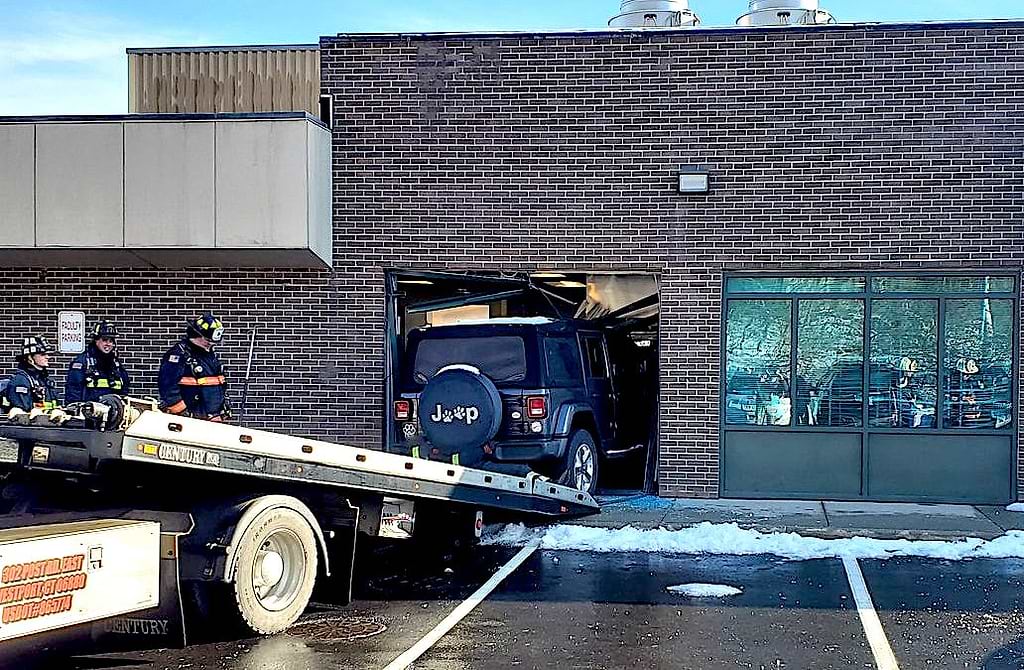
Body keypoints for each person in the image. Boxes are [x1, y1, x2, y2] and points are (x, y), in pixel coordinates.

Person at [158, 312, 229, 422]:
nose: (211, 344)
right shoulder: (178, 355)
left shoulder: (208, 354)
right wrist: (183, 415)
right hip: (190, 420)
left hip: (212, 418)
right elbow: (168, 388)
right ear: (197, 334)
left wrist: (218, 412)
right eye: (208, 341)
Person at [65, 321, 131, 404]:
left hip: (112, 413)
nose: (108, 344)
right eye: (105, 340)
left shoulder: (115, 364)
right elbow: (73, 391)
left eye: (111, 341)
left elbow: (124, 390)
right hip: (89, 413)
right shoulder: (83, 362)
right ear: (96, 340)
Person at [3, 336, 60, 412]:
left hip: (47, 423)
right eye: (42, 354)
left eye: (46, 354)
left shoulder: (43, 379)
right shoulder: (21, 381)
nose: (47, 357)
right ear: (30, 357)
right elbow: (23, 415)